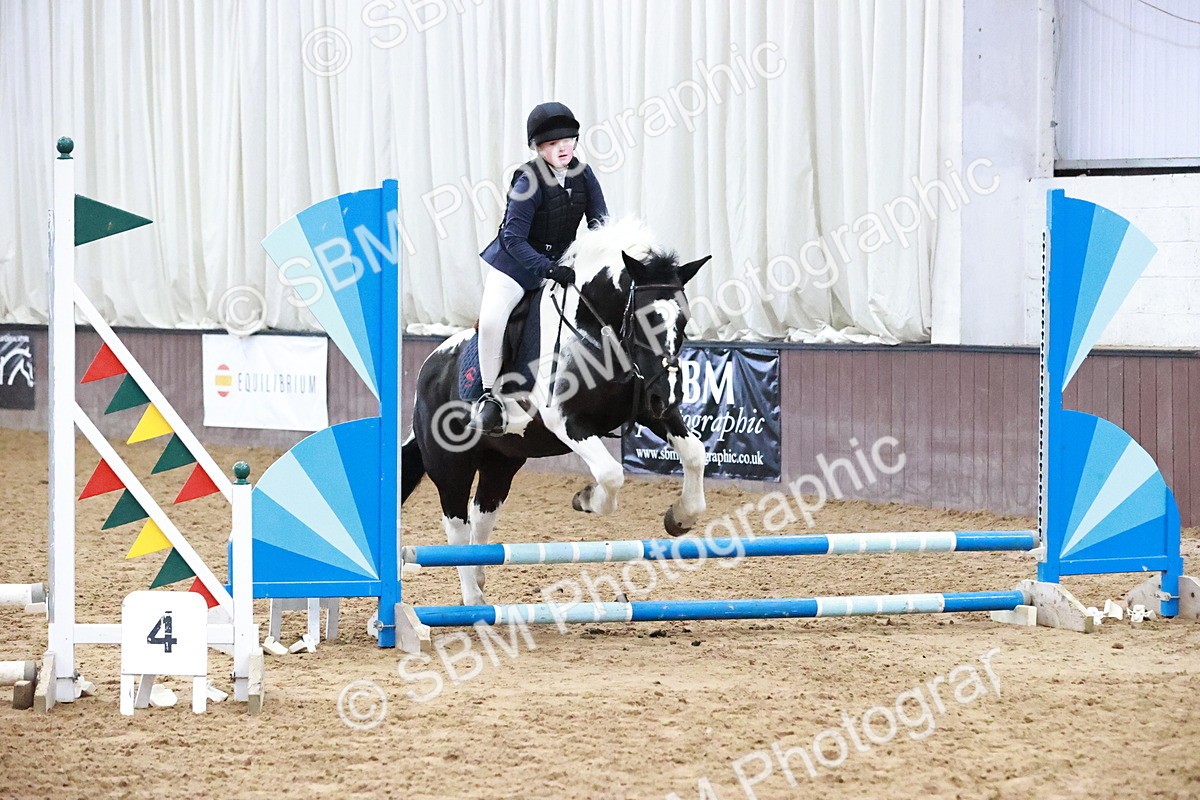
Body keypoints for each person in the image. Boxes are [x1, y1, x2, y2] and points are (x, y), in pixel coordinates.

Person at [470, 101, 608, 435]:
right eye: (551, 143)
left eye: (567, 140)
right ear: (538, 148)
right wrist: (548, 268)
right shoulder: (527, 181)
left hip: (557, 266)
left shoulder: (583, 174)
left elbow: (600, 223)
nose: (562, 148)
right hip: (514, 269)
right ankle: (489, 397)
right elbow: (513, 239)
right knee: (490, 322)